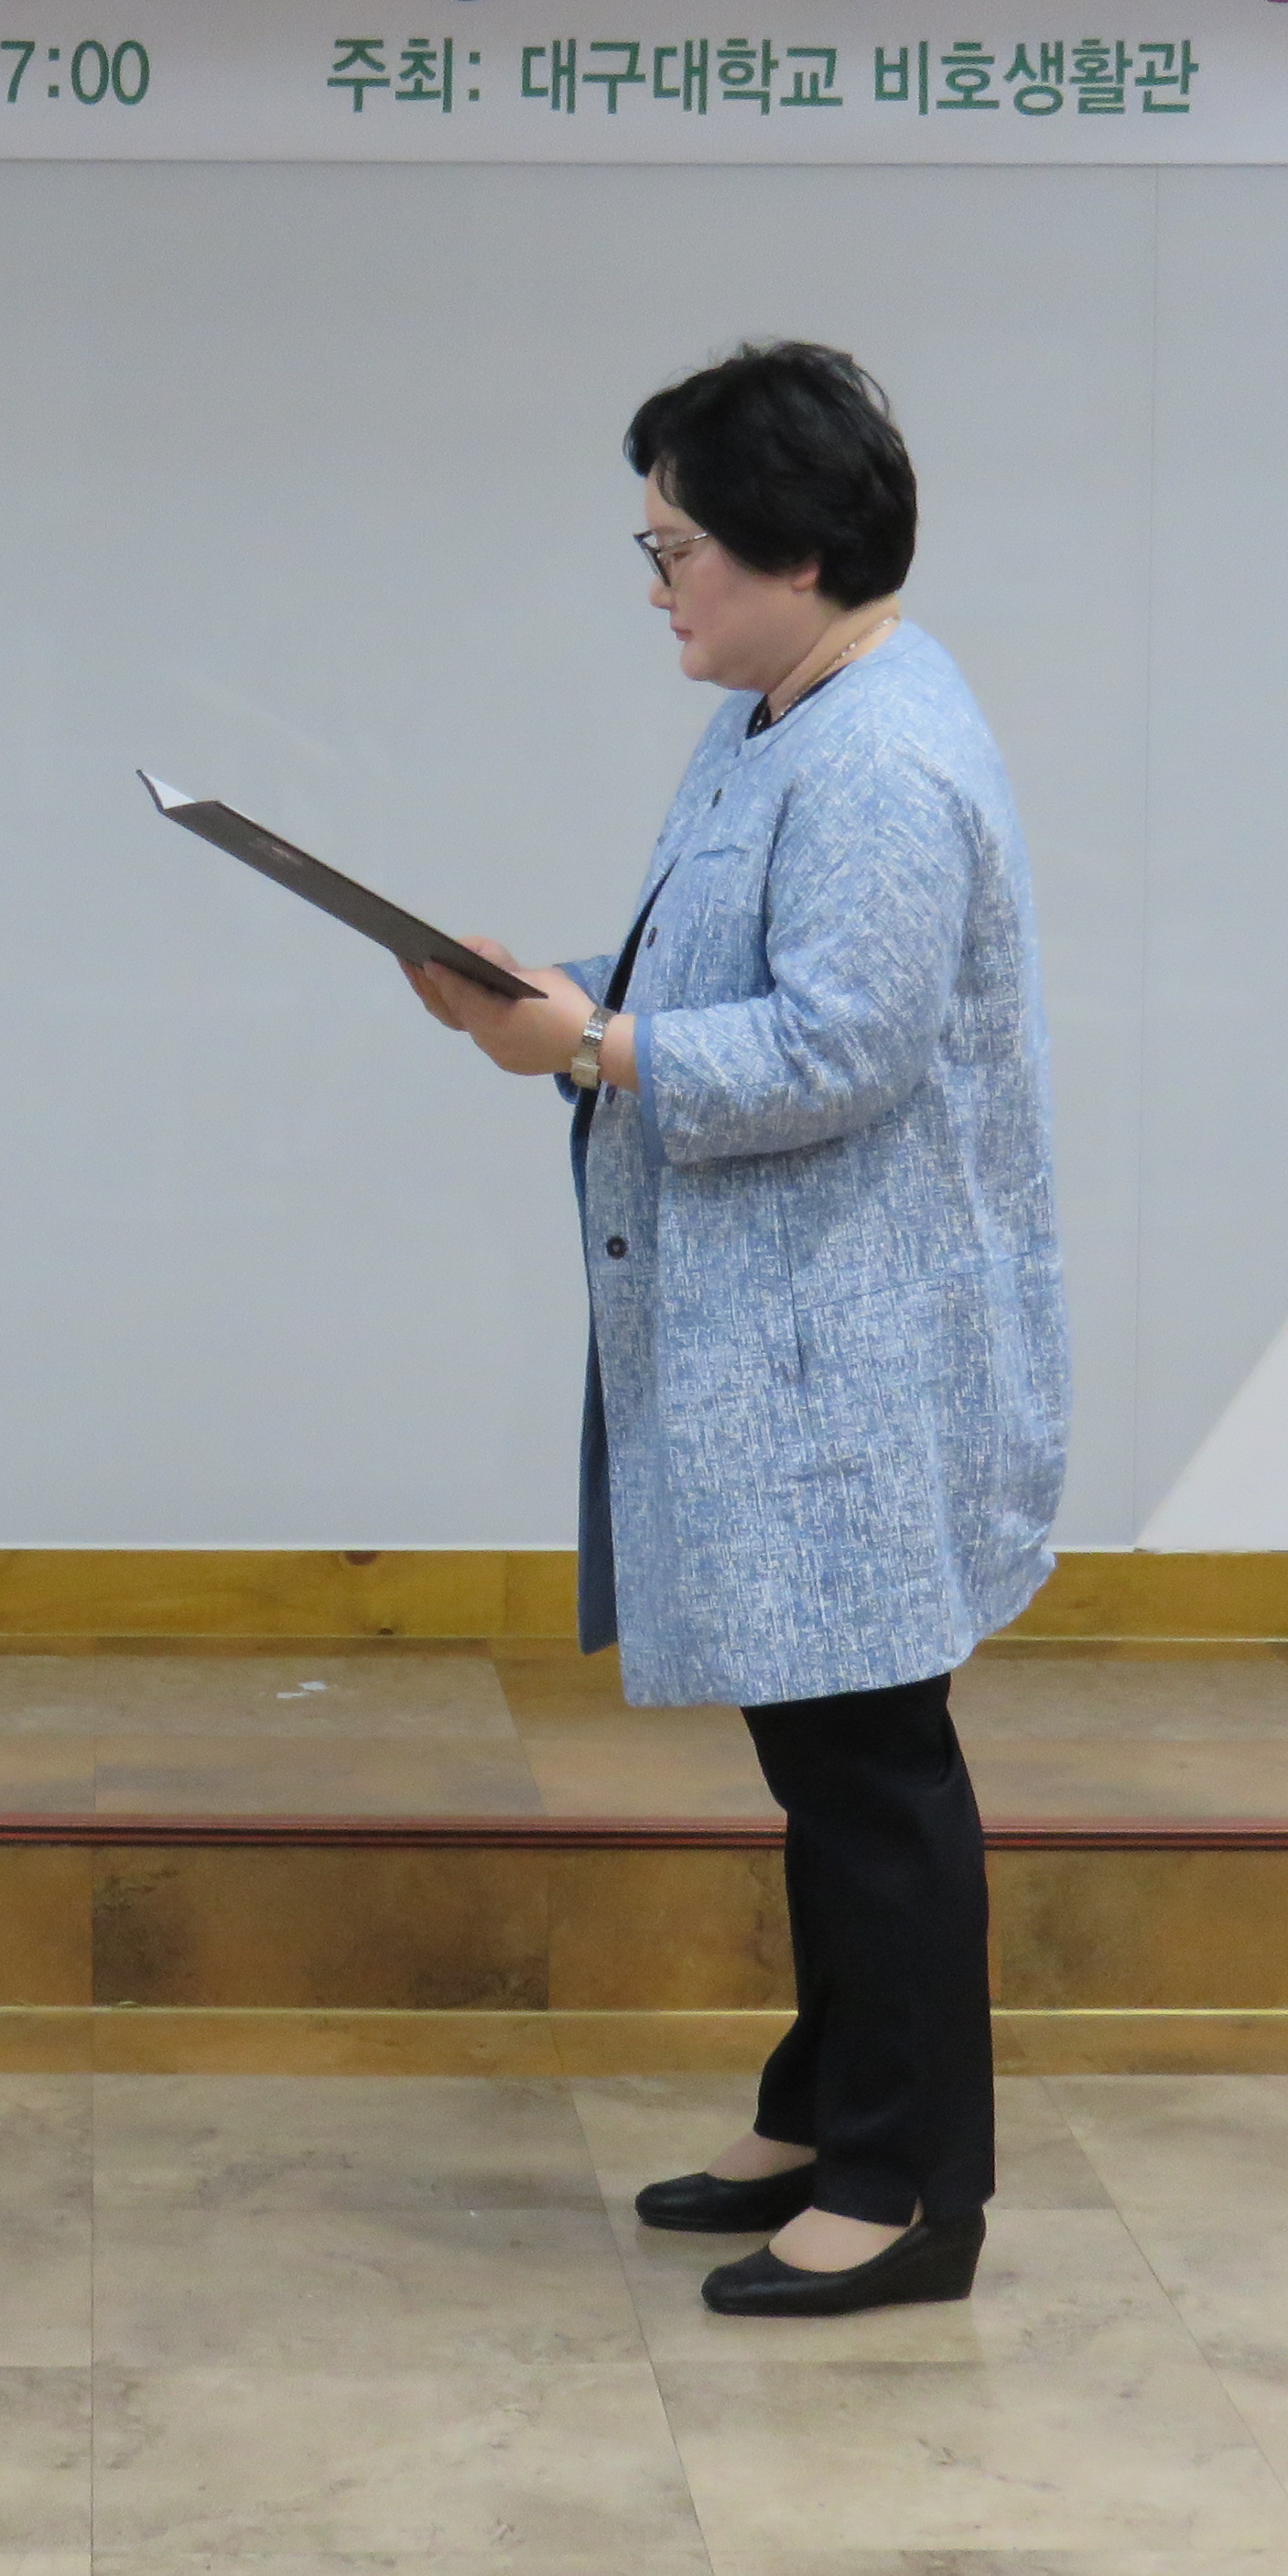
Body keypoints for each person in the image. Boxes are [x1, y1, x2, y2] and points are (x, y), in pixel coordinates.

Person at [410, 340, 1063, 2320]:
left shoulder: (880, 759)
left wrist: (594, 1045)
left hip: (854, 1346)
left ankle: (912, 2186)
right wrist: (555, 993)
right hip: (785, 1331)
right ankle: (821, 2104)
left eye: (675, 545)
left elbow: (843, 1049)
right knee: (827, 1756)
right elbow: (725, 975)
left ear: (796, 548)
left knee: (873, 1772)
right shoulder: (780, 715)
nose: (655, 584)